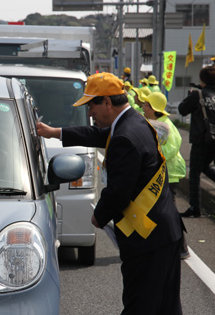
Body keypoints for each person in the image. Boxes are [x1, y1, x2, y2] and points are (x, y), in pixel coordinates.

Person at [37, 72, 183, 314]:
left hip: (148, 237)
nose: (90, 112)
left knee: (140, 305)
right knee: (166, 306)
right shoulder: (133, 122)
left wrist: (99, 216)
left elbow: (118, 192)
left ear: (107, 102)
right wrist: (56, 132)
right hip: (164, 230)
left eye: (91, 105)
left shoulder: (124, 136)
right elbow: (99, 135)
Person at [178, 66, 215, 218]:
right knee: (205, 166)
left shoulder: (198, 95)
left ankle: (194, 207)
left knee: (194, 173)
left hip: (201, 138)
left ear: (202, 79)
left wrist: (191, 95)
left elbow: (182, 109)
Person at [143, 92, 190, 259]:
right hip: (162, 173)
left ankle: (182, 248)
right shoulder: (155, 122)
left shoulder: (166, 125)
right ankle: (167, 246)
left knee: (169, 211)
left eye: (146, 105)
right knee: (163, 211)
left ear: (154, 109)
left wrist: (152, 155)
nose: (143, 107)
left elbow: (171, 149)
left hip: (170, 173)